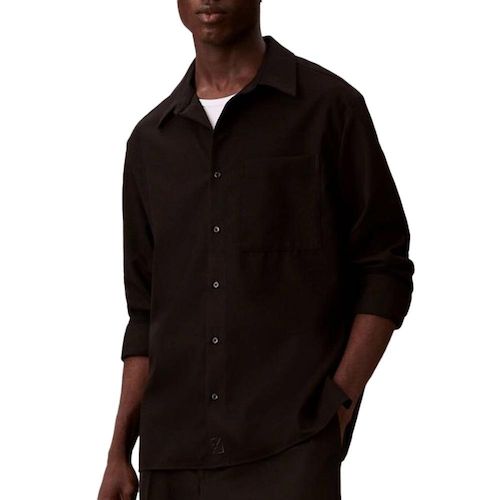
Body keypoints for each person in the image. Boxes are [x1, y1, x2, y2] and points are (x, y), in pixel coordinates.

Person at [98, 1, 415, 499]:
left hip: (289, 452)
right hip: (171, 461)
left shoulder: (329, 109)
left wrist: (339, 405)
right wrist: (119, 450)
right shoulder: (150, 143)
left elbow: (385, 270)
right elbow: (145, 314)